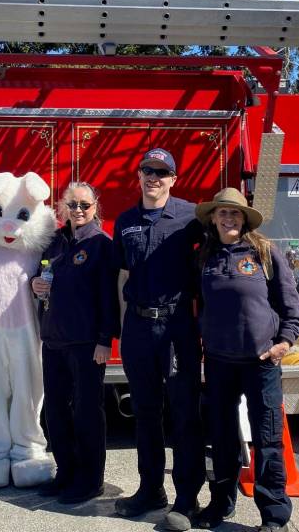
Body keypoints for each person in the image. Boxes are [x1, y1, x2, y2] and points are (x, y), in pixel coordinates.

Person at [193, 187, 299, 531]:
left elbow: (290, 303)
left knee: (267, 439)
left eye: (235, 213)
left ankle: (274, 516)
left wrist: (284, 341)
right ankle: (221, 504)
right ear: (213, 218)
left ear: (244, 220)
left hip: (261, 363)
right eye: (223, 213)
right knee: (222, 438)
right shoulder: (204, 256)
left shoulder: (265, 252)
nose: (228, 218)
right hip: (218, 361)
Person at [112, 148, 205, 532]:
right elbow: (120, 277)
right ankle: (150, 490)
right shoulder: (125, 221)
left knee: (184, 414)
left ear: (173, 179)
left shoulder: (190, 216)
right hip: (138, 327)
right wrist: (117, 329)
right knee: (145, 413)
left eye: (162, 172)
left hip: (176, 326)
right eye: (147, 171)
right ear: (138, 176)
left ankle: (187, 499)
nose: (153, 177)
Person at [31, 182, 120, 504]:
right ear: (62, 207)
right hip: (53, 338)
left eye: (85, 205)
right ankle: (65, 472)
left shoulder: (101, 244)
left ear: (96, 207)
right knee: (55, 411)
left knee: (86, 413)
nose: (78, 210)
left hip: (86, 343)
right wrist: (35, 285)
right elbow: (41, 278)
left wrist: (104, 341)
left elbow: (109, 297)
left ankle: (90, 479)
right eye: (72, 205)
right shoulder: (54, 241)